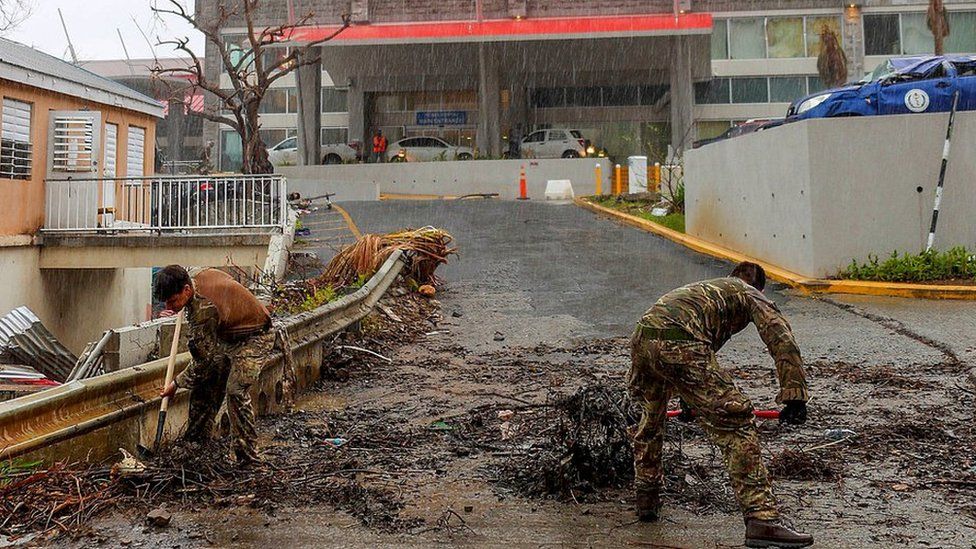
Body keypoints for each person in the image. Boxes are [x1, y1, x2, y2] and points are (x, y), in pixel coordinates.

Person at [628, 261, 813, 548]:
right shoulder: (750, 293)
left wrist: (691, 398)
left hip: (643, 337)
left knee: (652, 417)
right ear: (759, 287)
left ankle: (646, 499)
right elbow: (781, 338)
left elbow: (687, 342)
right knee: (737, 422)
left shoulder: (710, 289)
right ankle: (761, 520)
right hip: (680, 342)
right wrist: (795, 394)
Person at [155, 265, 275, 465]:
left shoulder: (204, 310)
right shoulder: (192, 276)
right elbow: (206, 363)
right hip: (228, 335)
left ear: (186, 290)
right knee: (207, 378)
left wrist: (176, 384)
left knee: (235, 390)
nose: (170, 307)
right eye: (167, 302)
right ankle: (196, 440)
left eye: (173, 301)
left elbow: (204, 360)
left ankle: (247, 455)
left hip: (255, 335)